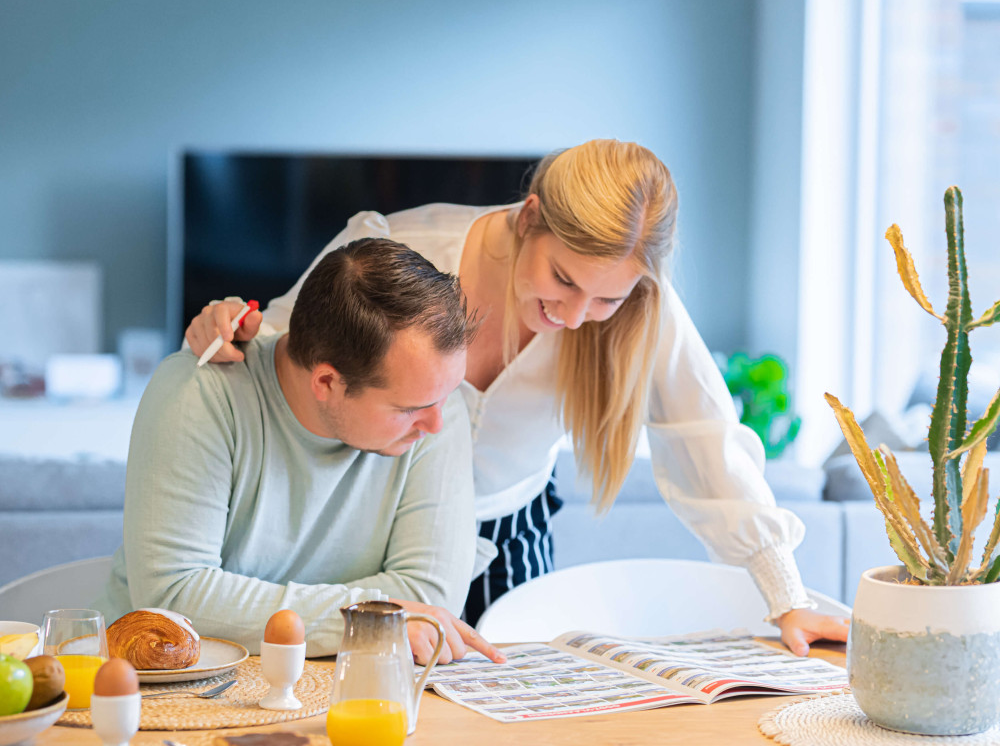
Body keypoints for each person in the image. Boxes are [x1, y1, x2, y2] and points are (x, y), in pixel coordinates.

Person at [186, 139, 849, 656]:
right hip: (377, 533)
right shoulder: (404, 249)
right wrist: (226, 324)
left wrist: (784, 596)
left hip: (510, 537)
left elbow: (706, 441)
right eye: (563, 279)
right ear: (529, 216)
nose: (578, 314)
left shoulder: (641, 308)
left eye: (607, 297)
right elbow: (287, 345)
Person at [101, 238, 504, 664]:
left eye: (446, 396)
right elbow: (173, 596)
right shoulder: (198, 392)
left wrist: (239, 607)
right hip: (164, 686)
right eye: (409, 409)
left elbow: (429, 599)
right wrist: (367, 617)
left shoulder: (436, 404)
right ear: (327, 383)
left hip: (349, 687)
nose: (436, 424)